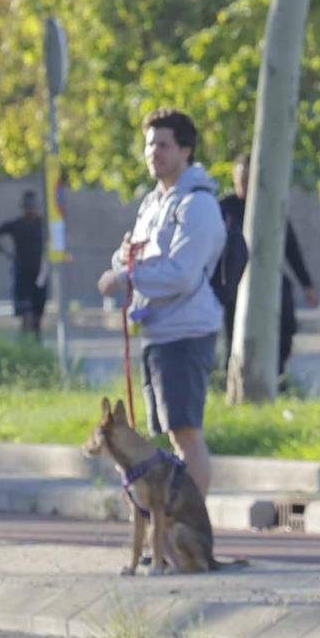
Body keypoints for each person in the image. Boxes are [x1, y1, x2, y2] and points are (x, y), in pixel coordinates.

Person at [96, 108, 226, 494]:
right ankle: (172, 534)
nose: (154, 152)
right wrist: (124, 265)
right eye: (150, 144)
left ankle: (192, 530)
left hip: (186, 331)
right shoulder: (153, 203)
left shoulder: (197, 204)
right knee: (171, 433)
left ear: (186, 150)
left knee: (186, 435)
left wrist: (125, 276)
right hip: (157, 330)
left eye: (164, 144)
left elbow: (182, 274)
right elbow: (129, 255)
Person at [215, 155, 315, 380]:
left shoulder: (270, 207)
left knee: (287, 319)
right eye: (240, 177)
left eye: (248, 178)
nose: (243, 182)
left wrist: (307, 284)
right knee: (233, 331)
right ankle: (229, 375)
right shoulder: (224, 207)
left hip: (268, 278)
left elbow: (291, 248)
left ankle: (277, 372)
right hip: (233, 281)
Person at [0, 190, 47, 337]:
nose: (30, 209)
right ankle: (25, 347)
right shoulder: (16, 225)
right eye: (27, 206)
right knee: (26, 315)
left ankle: (37, 348)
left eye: (32, 206)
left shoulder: (42, 225)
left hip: (39, 274)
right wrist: (7, 254)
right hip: (22, 274)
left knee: (38, 317)